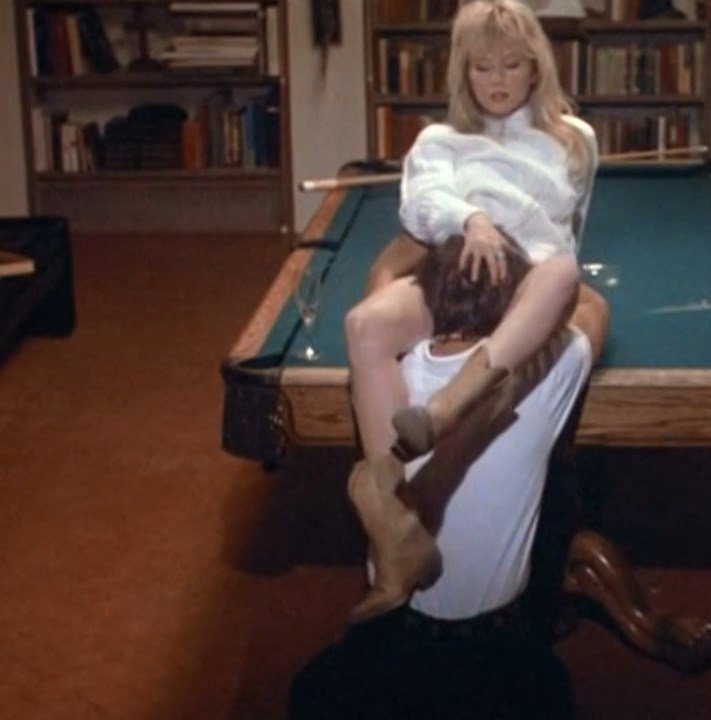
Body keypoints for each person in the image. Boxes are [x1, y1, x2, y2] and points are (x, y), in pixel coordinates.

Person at [344, 0, 602, 623]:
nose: (497, 80)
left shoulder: (573, 140)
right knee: (364, 324)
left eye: (511, 65)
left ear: (535, 68)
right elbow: (422, 203)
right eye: (483, 67)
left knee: (563, 272)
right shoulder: (440, 140)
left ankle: (449, 406)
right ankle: (394, 518)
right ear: (464, 72)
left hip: (525, 280)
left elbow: (569, 233)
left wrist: (515, 246)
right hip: (451, 274)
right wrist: (474, 219)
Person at [291, 236, 607, 720]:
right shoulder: (546, 371)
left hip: (393, 641)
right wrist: (520, 257)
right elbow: (587, 302)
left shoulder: (386, 371)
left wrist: (443, 233)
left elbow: (384, 269)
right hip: (491, 654)